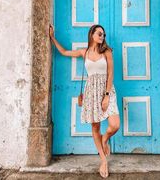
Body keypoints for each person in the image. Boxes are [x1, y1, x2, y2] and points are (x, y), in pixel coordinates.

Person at [49, 24, 120, 178]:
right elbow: (64, 52)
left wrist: (107, 95)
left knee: (114, 125)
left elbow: (110, 74)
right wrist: (53, 37)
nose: (102, 36)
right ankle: (103, 160)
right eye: (100, 33)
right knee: (95, 127)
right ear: (92, 34)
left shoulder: (107, 51)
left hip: (106, 90)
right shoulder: (85, 52)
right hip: (91, 92)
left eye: (104, 34)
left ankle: (105, 139)